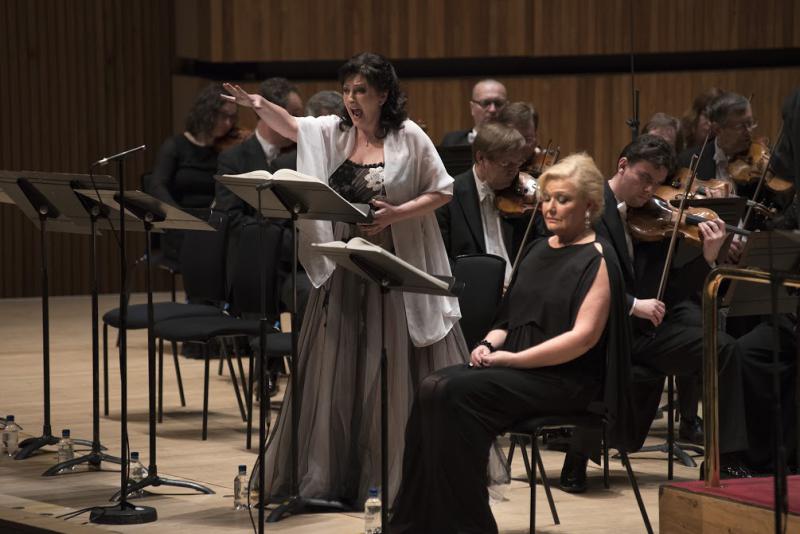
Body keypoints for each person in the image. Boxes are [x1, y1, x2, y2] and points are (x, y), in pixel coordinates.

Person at [223, 52, 468, 507]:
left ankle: (392, 478)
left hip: (389, 268)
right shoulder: (335, 131)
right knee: (341, 366)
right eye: (347, 90)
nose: (352, 99)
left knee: (386, 366)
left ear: (384, 95)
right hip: (343, 265)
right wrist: (258, 104)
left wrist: (397, 213)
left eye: (361, 91)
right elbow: (293, 126)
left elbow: (443, 190)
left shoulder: (408, 135)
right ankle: (336, 476)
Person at [389, 153, 631, 534]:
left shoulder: (599, 258)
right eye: (547, 198)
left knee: (455, 394)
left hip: (566, 380)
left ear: (589, 205)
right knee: (432, 387)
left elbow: (582, 339)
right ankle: (417, 523)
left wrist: (513, 360)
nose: (550, 207)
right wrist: (488, 344)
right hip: (518, 369)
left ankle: (467, 527)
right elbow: (507, 319)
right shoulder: (536, 249)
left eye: (563, 199)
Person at [574, 134, 751, 484]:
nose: (649, 190)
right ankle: (576, 456)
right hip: (603, 330)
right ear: (622, 166)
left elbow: (670, 290)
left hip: (646, 333)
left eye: (657, 183)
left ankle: (725, 460)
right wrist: (631, 305)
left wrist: (707, 258)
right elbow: (575, 281)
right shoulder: (589, 209)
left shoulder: (652, 220)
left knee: (724, 348)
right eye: (644, 178)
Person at [436, 121, 540, 286]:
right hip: (474, 292)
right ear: (481, 158)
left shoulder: (522, 196)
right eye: (506, 164)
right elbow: (441, 260)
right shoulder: (447, 197)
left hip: (519, 289)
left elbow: (540, 244)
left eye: (518, 163)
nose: (514, 171)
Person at [150, 82, 241, 263]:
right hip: (179, 227)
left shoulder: (227, 150)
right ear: (206, 112)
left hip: (216, 225)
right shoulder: (175, 146)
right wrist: (180, 218)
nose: (228, 123)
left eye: (232, 118)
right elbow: (157, 186)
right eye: (223, 116)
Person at [440, 79, 507, 146]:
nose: (492, 110)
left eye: (499, 103)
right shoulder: (451, 141)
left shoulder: (513, 143)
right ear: (472, 108)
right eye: (485, 103)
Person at [680, 87, 724, 151]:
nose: (710, 123)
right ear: (695, 115)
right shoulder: (680, 139)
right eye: (706, 116)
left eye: (716, 119)